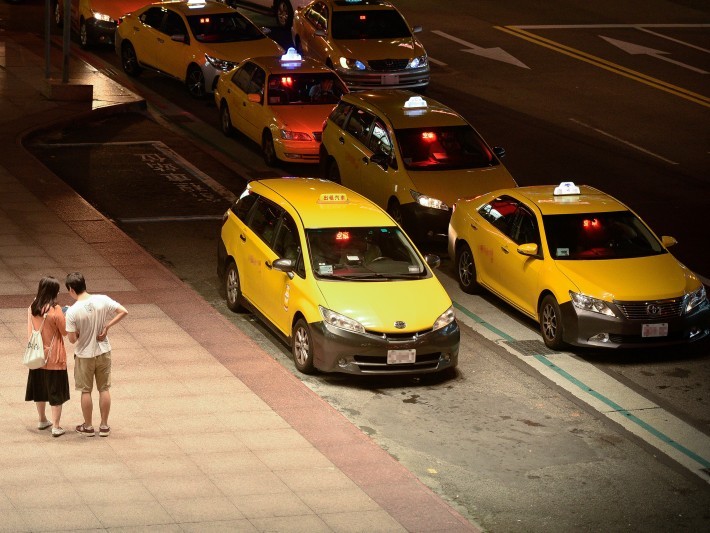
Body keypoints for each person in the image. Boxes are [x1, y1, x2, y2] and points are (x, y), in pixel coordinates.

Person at [65, 272, 128, 437]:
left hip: (84, 355)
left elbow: (71, 340)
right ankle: (104, 426)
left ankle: (88, 426)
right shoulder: (103, 299)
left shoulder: (72, 312)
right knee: (104, 388)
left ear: (71, 290)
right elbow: (123, 311)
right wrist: (107, 326)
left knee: (86, 391)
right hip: (103, 351)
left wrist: (78, 332)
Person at [25, 276, 69, 438]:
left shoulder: (32, 307)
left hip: (36, 355)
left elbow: (30, 331)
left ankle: (42, 419)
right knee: (55, 391)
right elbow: (64, 332)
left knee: (40, 388)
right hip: (53, 356)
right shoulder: (55, 310)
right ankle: (56, 426)